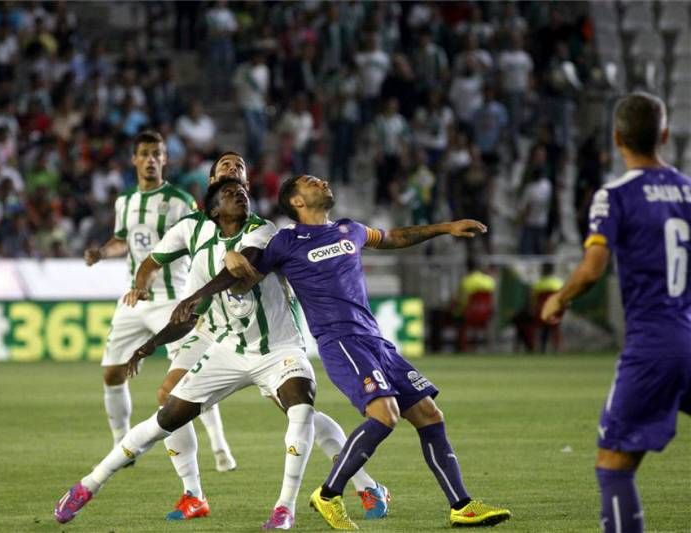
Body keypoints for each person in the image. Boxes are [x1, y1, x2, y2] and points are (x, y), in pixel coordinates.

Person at [173, 174, 512, 529]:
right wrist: (230, 260)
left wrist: (446, 227)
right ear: (297, 202)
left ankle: (462, 504)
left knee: (430, 415)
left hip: (376, 341)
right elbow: (247, 276)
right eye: (310, 182)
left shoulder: (350, 229)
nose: (321, 182)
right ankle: (329, 494)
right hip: (341, 342)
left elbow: (393, 237)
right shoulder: (286, 241)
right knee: (385, 414)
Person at [122, 152, 390, 521]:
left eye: (239, 169)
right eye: (224, 167)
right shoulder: (189, 227)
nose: (232, 170)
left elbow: (245, 274)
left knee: (298, 413)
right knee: (168, 394)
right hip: (207, 328)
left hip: (259, 333)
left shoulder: (263, 230)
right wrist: (141, 285)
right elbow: (153, 260)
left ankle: (364, 482)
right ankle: (192, 495)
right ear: (212, 181)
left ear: (246, 184)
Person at [55, 178, 318, 529]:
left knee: (301, 404)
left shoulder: (264, 230)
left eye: (242, 192)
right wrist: (151, 344)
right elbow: (188, 315)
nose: (239, 194)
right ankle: (88, 484)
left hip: (280, 347)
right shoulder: (202, 257)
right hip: (230, 349)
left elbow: (243, 266)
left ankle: (285, 508)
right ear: (213, 211)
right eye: (228, 194)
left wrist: (196, 296)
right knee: (166, 418)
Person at [542, 92, 691, 533]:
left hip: (653, 347)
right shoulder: (687, 190)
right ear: (663, 134)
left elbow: (593, 267)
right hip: (689, 332)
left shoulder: (615, 196)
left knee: (614, 463)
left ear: (616, 138)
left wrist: (560, 298)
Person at [82, 132, 237, 476]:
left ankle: (219, 446)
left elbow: (194, 243)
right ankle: (122, 443)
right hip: (134, 297)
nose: (150, 159)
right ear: (134, 160)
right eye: (144, 154)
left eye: (157, 154)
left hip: (173, 300)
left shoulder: (181, 200)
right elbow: (123, 240)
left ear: (165, 160)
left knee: (190, 376)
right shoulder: (125, 202)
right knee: (112, 371)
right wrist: (102, 252)